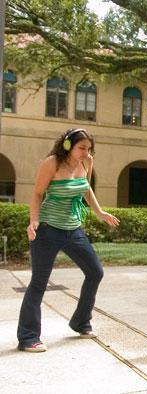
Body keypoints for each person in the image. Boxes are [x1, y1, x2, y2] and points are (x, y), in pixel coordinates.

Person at [17, 128, 120, 352]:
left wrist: (100, 212)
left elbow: (86, 189)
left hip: (73, 229)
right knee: (39, 282)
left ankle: (81, 322)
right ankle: (28, 337)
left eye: (89, 148)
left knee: (95, 272)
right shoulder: (52, 163)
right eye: (81, 148)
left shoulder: (86, 162)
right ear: (67, 146)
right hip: (47, 229)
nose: (86, 152)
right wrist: (33, 221)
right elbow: (37, 194)